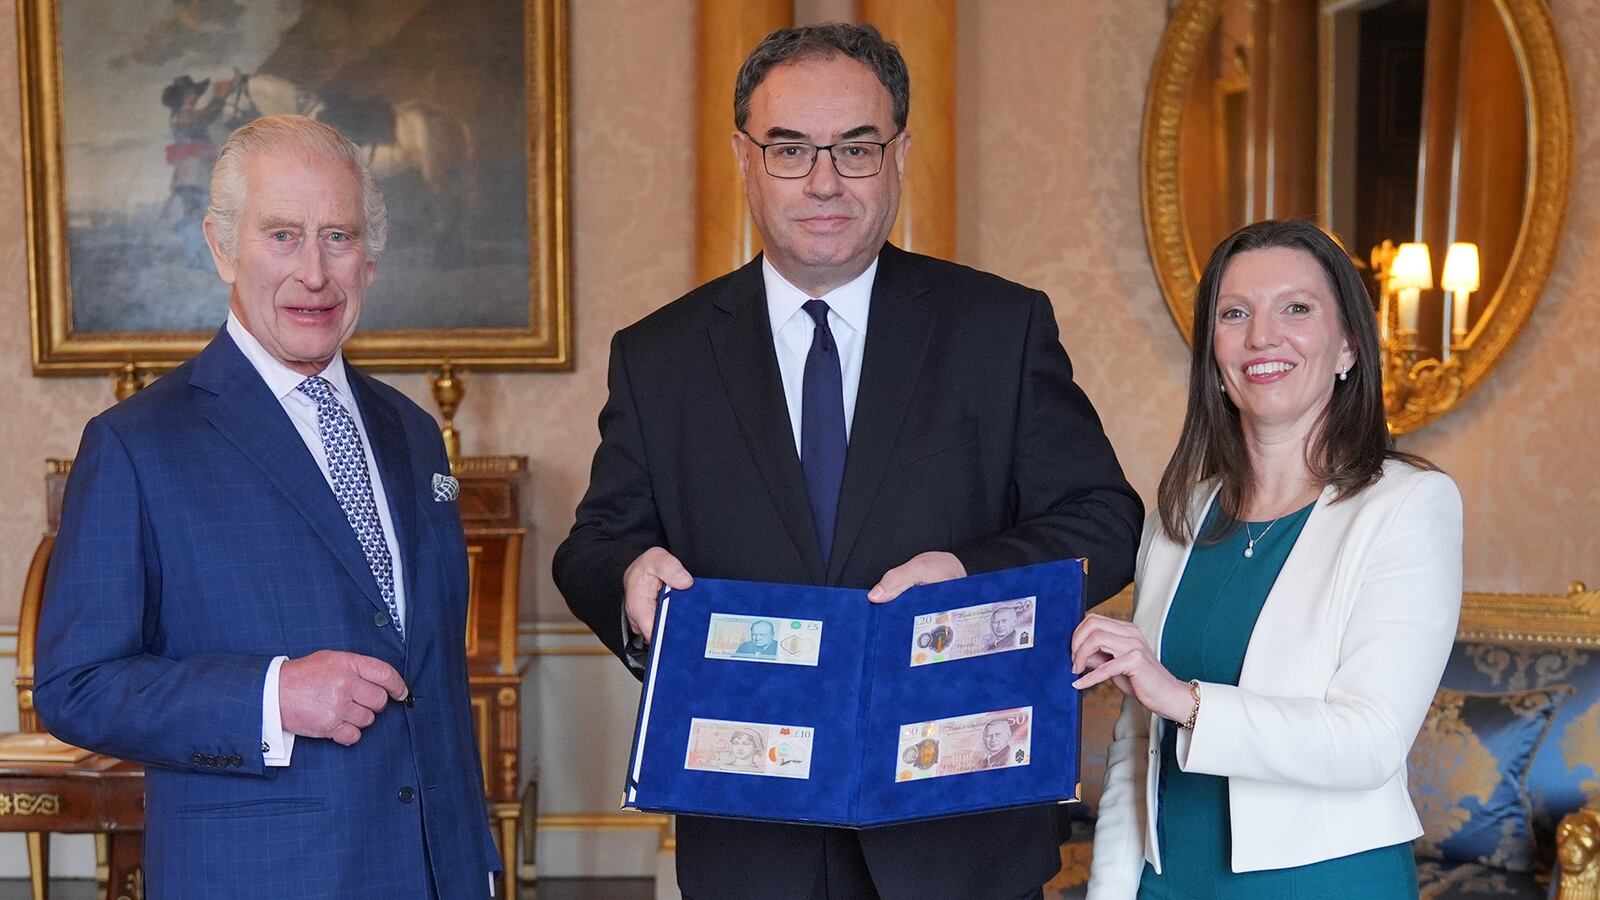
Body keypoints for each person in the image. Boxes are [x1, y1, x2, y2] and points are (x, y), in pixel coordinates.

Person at [553, 22, 1142, 900]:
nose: (824, 181)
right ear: (745, 159)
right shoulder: (660, 356)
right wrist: (630, 581)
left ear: (899, 155)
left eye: (856, 149)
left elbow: (1105, 519)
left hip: (961, 838)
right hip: (753, 839)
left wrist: (966, 573)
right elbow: (595, 545)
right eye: (790, 149)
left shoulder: (999, 328)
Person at [34, 115, 500, 899]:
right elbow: (76, 686)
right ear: (223, 248)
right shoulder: (135, 444)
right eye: (283, 235)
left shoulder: (413, 433)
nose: (314, 273)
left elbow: (436, 680)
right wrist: (271, 697)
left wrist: (471, 869)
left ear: (370, 259)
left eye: (338, 237)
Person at [1071, 219, 1464, 899]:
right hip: (1166, 884)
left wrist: (1184, 700)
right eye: (1235, 313)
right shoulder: (1178, 515)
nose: (1261, 336)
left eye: (1297, 308)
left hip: (1326, 884)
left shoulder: (1409, 504)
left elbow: (1369, 742)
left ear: (1348, 346)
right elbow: (1137, 744)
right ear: (1213, 355)